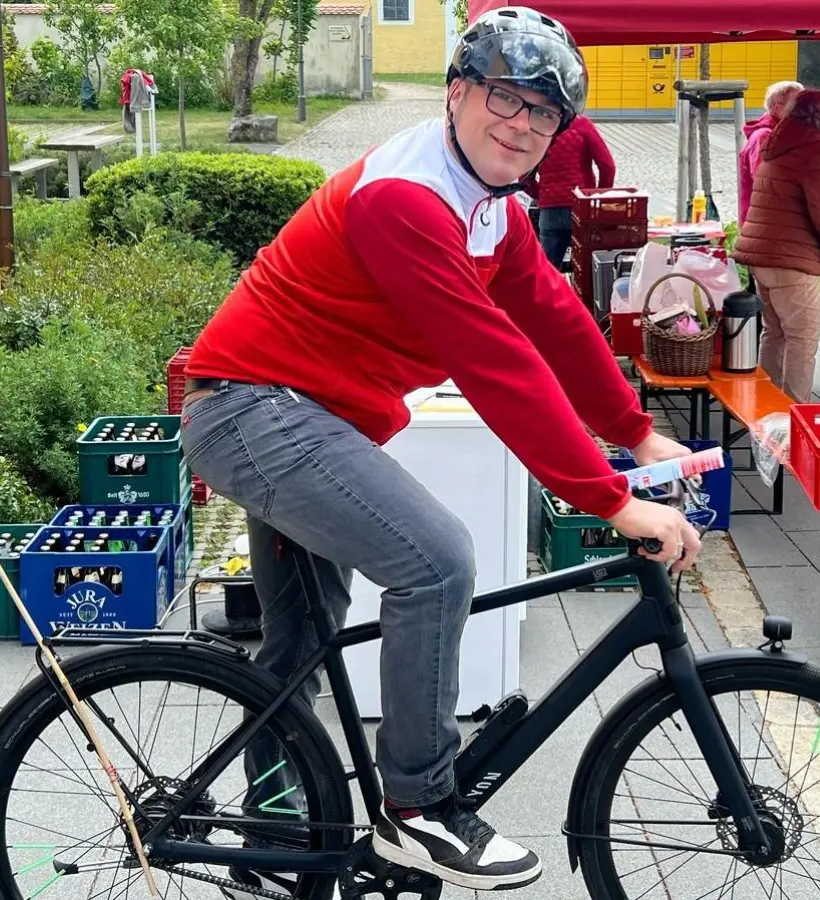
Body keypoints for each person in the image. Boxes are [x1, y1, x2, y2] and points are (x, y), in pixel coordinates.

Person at [177, 6, 702, 894]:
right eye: (506, 96)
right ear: (458, 92)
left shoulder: (489, 203)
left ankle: (270, 842)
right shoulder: (406, 199)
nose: (524, 124)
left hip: (304, 415)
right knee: (438, 563)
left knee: (298, 645)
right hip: (254, 411)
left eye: (546, 113)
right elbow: (495, 364)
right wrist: (610, 497)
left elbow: (556, 321)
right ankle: (420, 804)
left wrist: (637, 429)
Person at [734, 89, 820, 402]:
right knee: (802, 339)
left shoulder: (777, 143)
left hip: (762, 256)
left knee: (774, 333)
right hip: (793, 261)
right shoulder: (816, 150)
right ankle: (793, 420)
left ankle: (765, 409)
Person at [526, 110, 616, 270]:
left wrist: (542, 195)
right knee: (586, 270)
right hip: (582, 208)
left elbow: (524, 177)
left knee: (548, 270)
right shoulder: (582, 125)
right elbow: (607, 166)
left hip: (550, 212)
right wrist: (597, 196)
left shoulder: (540, 126)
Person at [738, 79, 802, 225]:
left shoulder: (786, 134)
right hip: (764, 224)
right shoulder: (764, 136)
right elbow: (765, 183)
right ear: (777, 107)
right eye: (798, 106)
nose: (804, 110)